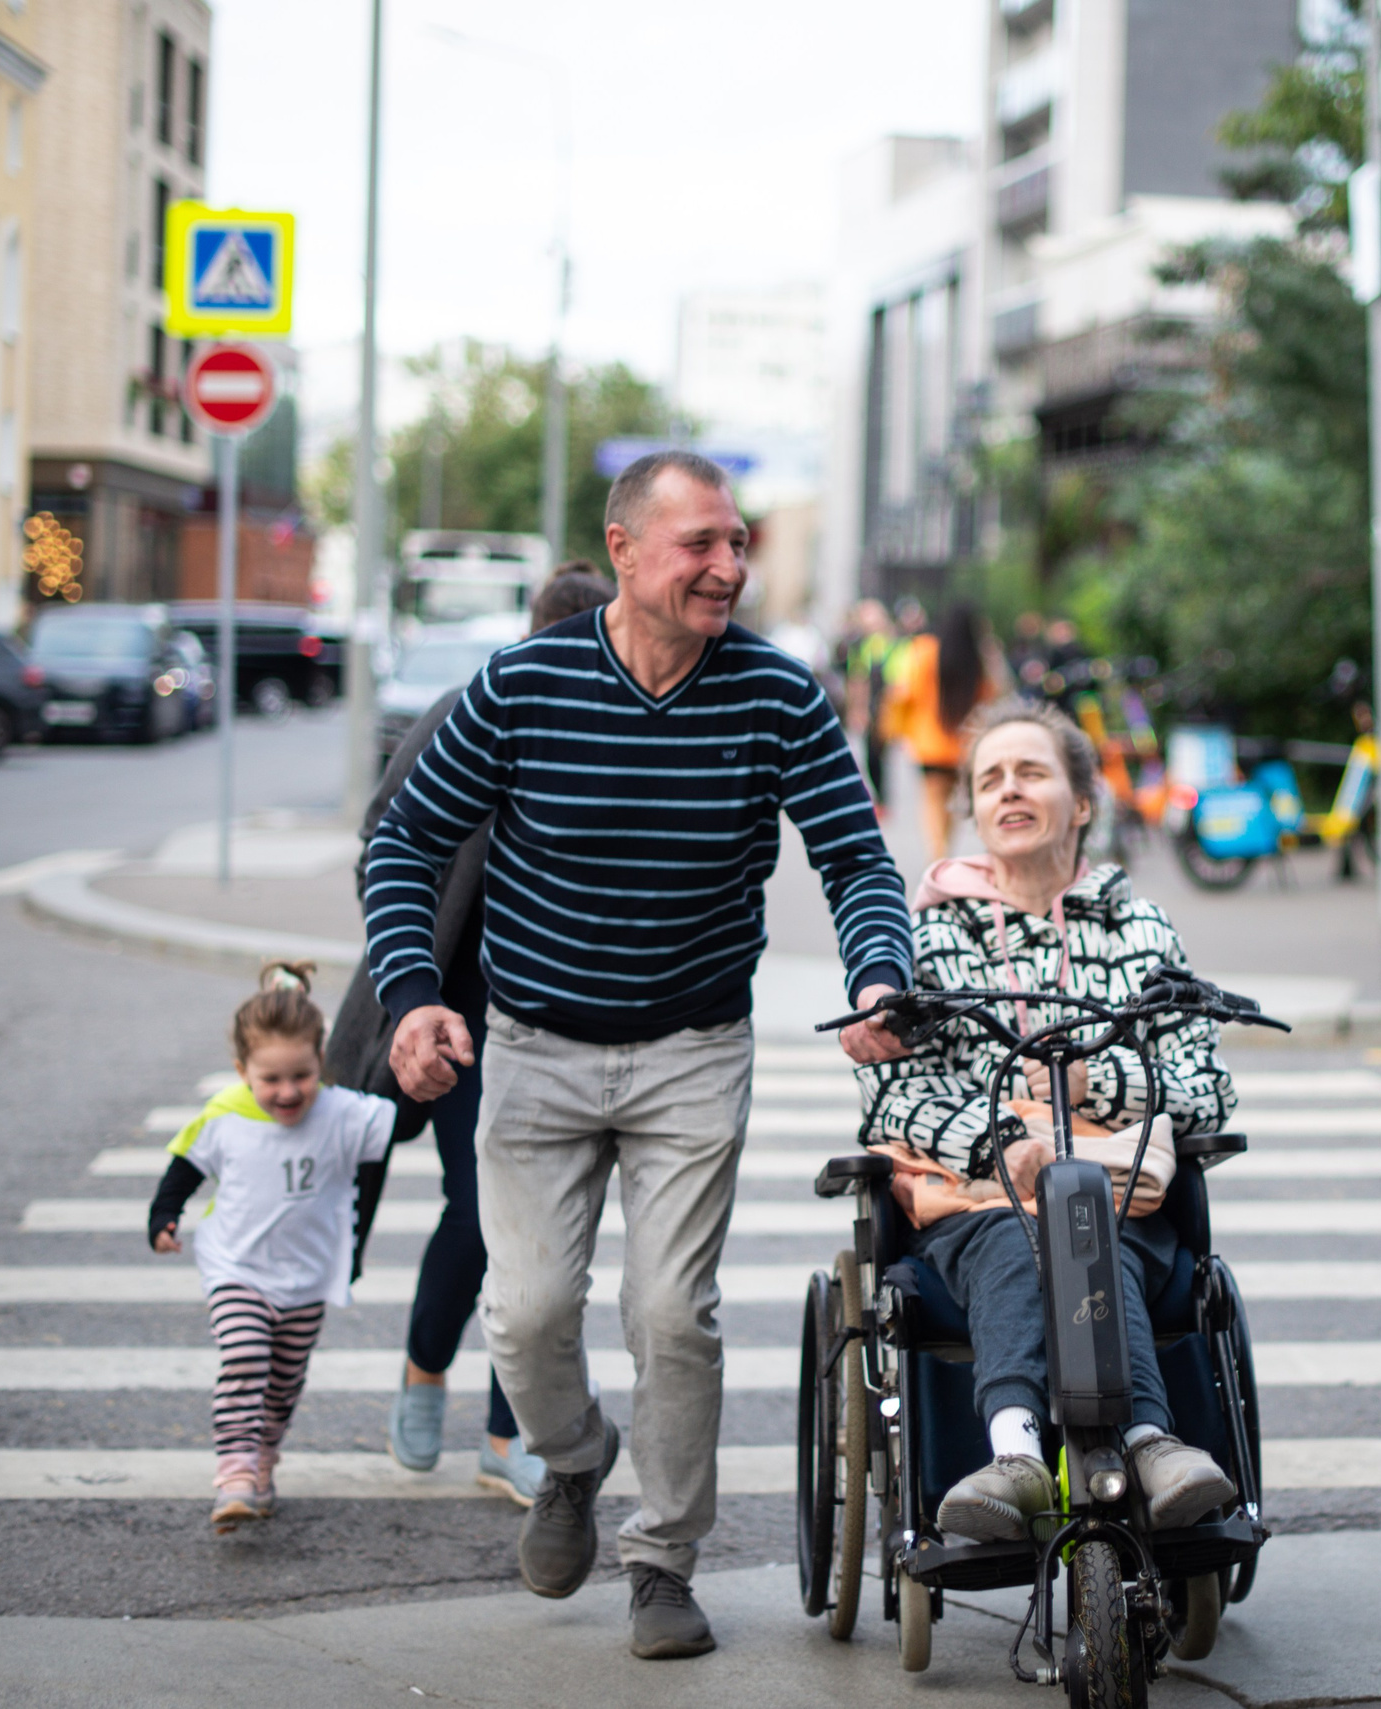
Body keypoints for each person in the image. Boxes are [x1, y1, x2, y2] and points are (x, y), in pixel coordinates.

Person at [362, 450, 915, 1660]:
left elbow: (857, 859)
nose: (728, 565)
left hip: (690, 1047)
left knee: (672, 1314)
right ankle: (571, 1457)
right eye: (699, 543)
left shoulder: (777, 694)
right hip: (535, 1044)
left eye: (736, 542)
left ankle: (663, 1559)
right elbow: (403, 842)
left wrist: (881, 969)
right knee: (525, 1312)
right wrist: (412, 999)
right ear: (624, 550)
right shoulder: (520, 685)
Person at [855, 702, 1241, 1542]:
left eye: (1031, 772)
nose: (1009, 790)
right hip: (978, 1204)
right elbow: (890, 1099)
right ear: (973, 809)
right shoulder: (928, 939)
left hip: (1117, 1198)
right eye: (989, 779)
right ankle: (1016, 1453)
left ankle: (1146, 1439)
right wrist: (1003, 1143)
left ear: (1083, 803)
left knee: (1086, 1223)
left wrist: (1092, 1079)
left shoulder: (1141, 931)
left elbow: (1206, 1087)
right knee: (1019, 1237)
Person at [326, 565, 614, 1507]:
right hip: (458, 1011)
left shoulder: (620, 726)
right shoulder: (471, 710)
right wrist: (413, 986)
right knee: (483, 1213)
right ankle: (423, 1374)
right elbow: (385, 838)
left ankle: (507, 1432)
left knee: (534, 1229)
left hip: (565, 1019)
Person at [145, 965, 394, 1534]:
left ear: (321, 1065)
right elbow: (184, 1167)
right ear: (242, 1072)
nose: (287, 1093)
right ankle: (234, 1472)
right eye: (271, 1079)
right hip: (237, 1268)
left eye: (302, 1076)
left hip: (307, 1276)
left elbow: (392, 1122)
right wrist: (164, 1215)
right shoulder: (226, 1114)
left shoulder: (343, 1112)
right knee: (244, 1360)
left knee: (284, 1381)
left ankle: (263, 1458)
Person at [883, 600, 1002, 864]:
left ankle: (937, 853)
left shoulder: (923, 651)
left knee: (932, 799)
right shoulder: (977, 658)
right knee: (951, 801)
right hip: (963, 745)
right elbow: (991, 695)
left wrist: (896, 727)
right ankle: (944, 849)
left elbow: (905, 693)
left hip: (929, 743)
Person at [841, 598, 897, 811]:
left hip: (886, 706)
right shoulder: (860, 644)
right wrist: (858, 709)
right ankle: (880, 798)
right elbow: (857, 679)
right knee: (871, 754)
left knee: (879, 754)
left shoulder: (889, 642)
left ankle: (882, 799)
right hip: (872, 706)